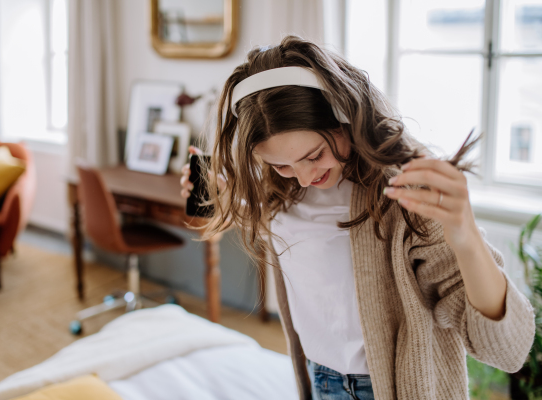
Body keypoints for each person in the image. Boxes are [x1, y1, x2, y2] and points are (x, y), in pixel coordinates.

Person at [180, 35, 535, 400]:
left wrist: (465, 235)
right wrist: (226, 199)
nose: (303, 176)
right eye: (281, 164)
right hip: (319, 379)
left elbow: (506, 351)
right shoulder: (279, 191)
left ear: (345, 117)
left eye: (314, 155)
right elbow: (301, 236)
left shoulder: (404, 198)